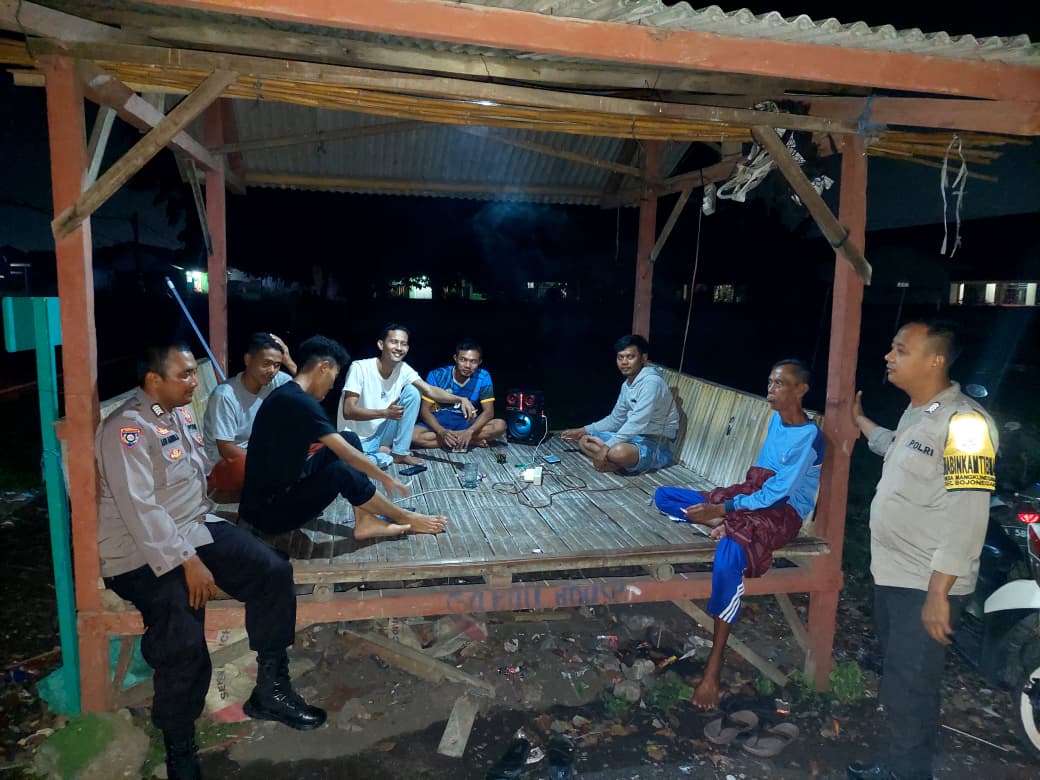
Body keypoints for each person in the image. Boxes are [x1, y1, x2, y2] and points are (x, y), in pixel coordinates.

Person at [97, 342, 326, 780]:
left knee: (273, 571)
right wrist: (187, 561)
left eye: (192, 372)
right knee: (182, 633)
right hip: (137, 552)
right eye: (184, 374)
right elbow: (140, 509)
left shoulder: (178, 413)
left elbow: (191, 485)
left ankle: (271, 691)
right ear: (153, 380)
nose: (193, 381)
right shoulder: (127, 430)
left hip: (194, 527)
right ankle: (179, 746)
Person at [847, 321, 997, 780]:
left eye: (900, 350)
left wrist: (938, 592)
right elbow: (898, 449)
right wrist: (862, 424)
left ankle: (907, 772)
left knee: (910, 685)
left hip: (926, 581)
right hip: (895, 573)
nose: (888, 357)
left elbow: (969, 510)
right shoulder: (919, 413)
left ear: (935, 360)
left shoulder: (966, 424)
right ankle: (901, 764)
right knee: (902, 680)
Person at [654, 359, 824, 709]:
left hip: (782, 514)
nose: (770, 390)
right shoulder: (777, 420)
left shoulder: (809, 438)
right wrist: (724, 509)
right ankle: (723, 526)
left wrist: (723, 510)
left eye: (779, 384)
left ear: (801, 390)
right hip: (751, 499)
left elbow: (777, 494)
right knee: (664, 496)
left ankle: (713, 669)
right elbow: (758, 484)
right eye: (770, 382)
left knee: (727, 559)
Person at [240, 335, 448, 538]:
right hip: (267, 514)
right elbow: (346, 453)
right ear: (323, 368)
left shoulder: (289, 393)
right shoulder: (299, 402)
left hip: (288, 485)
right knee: (340, 470)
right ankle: (404, 517)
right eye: (335, 375)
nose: (332, 385)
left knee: (350, 438)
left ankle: (364, 518)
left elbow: (345, 445)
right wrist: (385, 478)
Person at [337, 324, 478, 468]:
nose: (399, 348)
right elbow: (348, 411)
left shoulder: (403, 369)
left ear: (407, 348)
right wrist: (385, 413)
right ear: (381, 344)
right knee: (362, 464)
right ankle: (379, 454)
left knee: (413, 391)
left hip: (382, 433)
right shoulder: (360, 368)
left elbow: (429, 390)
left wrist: (460, 399)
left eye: (403, 344)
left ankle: (399, 453)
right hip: (355, 439)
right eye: (394, 342)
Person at [561, 334, 679, 473]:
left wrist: (605, 447)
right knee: (584, 440)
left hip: (656, 445)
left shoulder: (651, 383)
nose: (624, 362)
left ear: (643, 358)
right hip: (633, 438)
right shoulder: (627, 385)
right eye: (620, 357)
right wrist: (582, 430)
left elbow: (638, 422)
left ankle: (612, 459)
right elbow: (615, 420)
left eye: (630, 357)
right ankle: (615, 462)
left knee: (617, 452)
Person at [202, 332, 296, 493]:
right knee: (246, 465)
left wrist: (289, 361)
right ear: (248, 360)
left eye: (277, 365)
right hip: (226, 466)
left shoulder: (275, 382)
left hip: (258, 453)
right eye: (266, 363)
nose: (272, 370)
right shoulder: (225, 395)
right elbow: (226, 449)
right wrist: (269, 460)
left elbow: (308, 395)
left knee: (313, 445)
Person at [411, 338, 507, 451]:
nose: (467, 365)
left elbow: (489, 412)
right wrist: (441, 431)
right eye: (463, 360)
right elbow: (424, 411)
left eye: (473, 361)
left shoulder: (483, 376)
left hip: (466, 422)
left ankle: (460, 439)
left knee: (500, 425)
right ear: (455, 358)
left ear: (479, 362)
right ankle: (471, 440)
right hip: (439, 421)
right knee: (412, 436)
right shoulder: (437, 375)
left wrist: (470, 431)